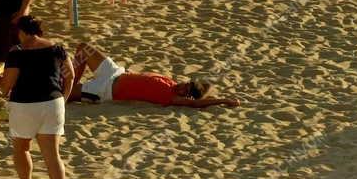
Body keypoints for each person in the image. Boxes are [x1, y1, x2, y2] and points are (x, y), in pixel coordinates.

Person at [0, 16, 73, 179]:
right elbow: (70, 75)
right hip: (53, 103)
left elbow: (6, 87)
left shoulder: (17, 53)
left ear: (21, 32)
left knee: (22, 148)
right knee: (52, 155)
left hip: (24, 105)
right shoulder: (57, 49)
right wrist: (63, 98)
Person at [69, 41, 241, 108]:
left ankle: (67, 87)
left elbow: (198, 104)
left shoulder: (171, 98)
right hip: (115, 72)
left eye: (185, 89)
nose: (181, 86)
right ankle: (69, 82)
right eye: (185, 83)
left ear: (187, 96)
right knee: (84, 49)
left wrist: (224, 100)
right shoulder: (170, 82)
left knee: (65, 95)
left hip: (105, 90)